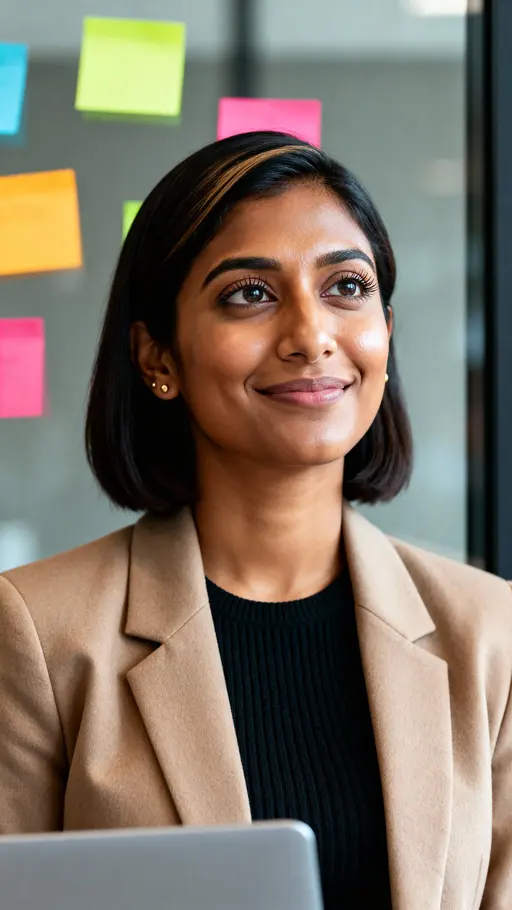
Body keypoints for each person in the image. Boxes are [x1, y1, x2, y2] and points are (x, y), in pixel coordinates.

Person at [0, 132, 510, 910]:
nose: (312, 335)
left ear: (386, 330)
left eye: (346, 286)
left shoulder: (491, 634)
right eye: (249, 294)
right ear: (157, 357)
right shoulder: (39, 633)